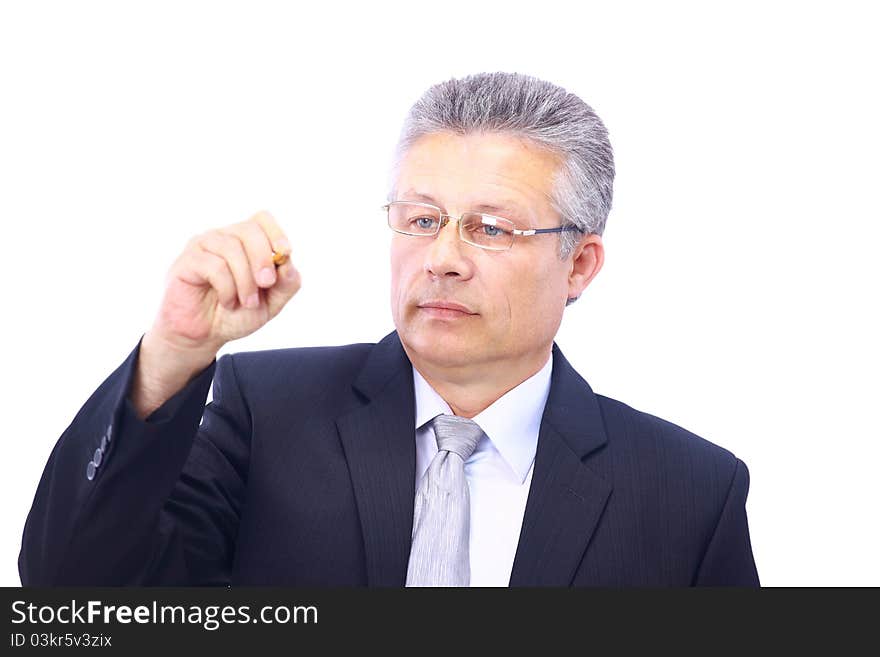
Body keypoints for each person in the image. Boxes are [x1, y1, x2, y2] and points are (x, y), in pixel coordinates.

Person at [19, 72, 760, 586]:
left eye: (491, 228)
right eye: (423, 220)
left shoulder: (688, 492)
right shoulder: (266, 415)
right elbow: (74, 592)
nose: (442, 259)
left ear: (580, 264)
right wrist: (171, 358)